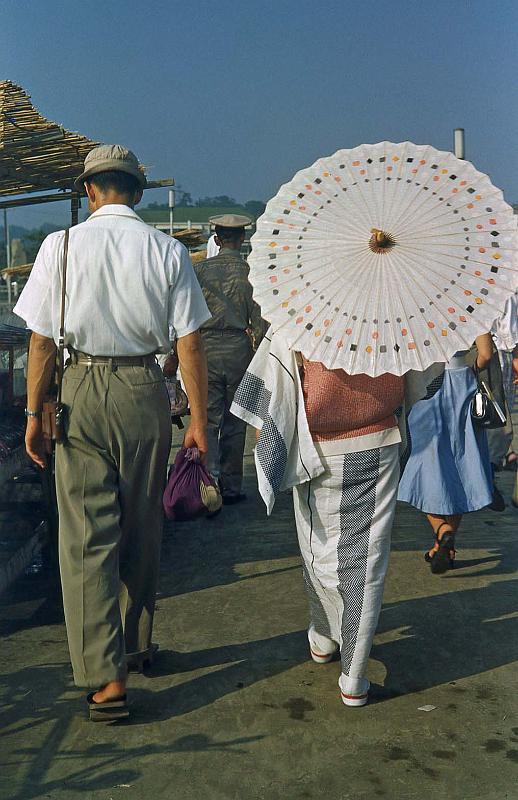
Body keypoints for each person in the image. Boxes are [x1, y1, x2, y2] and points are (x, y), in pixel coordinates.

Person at [14, 144, 210, 721]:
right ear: (138, 192)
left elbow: (42, 342)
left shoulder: (62, 246)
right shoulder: (168, 250)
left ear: (90, 191)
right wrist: (197, 420)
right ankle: (136, 644)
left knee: (85, 533)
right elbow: (189, 343)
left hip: (81, 387)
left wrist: (33, 414)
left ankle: (106, 677)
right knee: (142, 521)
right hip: (144, 390)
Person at [231, 332, 443, 706]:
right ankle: (351, 671)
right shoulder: (396, 308)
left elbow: (274, 379)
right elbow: (427, 378)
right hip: (378, 438)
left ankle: (326, 639)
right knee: (365, 560)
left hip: (319, 444)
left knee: (317, 548)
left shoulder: (304, 305)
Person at [398, 335, 494, 573]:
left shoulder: (414, 305)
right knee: (462, 465)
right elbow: (486, 354)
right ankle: (446, 546)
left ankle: (442, 531)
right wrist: (471, 369)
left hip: (426, 384)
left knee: (424, 465)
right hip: (463, 382)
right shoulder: (471, 302)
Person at [194, 214, 265, 504]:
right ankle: (232, 486)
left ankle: (206, 484)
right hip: (239, 349)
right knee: (236, 421)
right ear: (242, 239)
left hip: (205, 348)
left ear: (217, 239)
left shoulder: (200, 272)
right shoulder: (252, 273)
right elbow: (259, 323)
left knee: (208, 419)